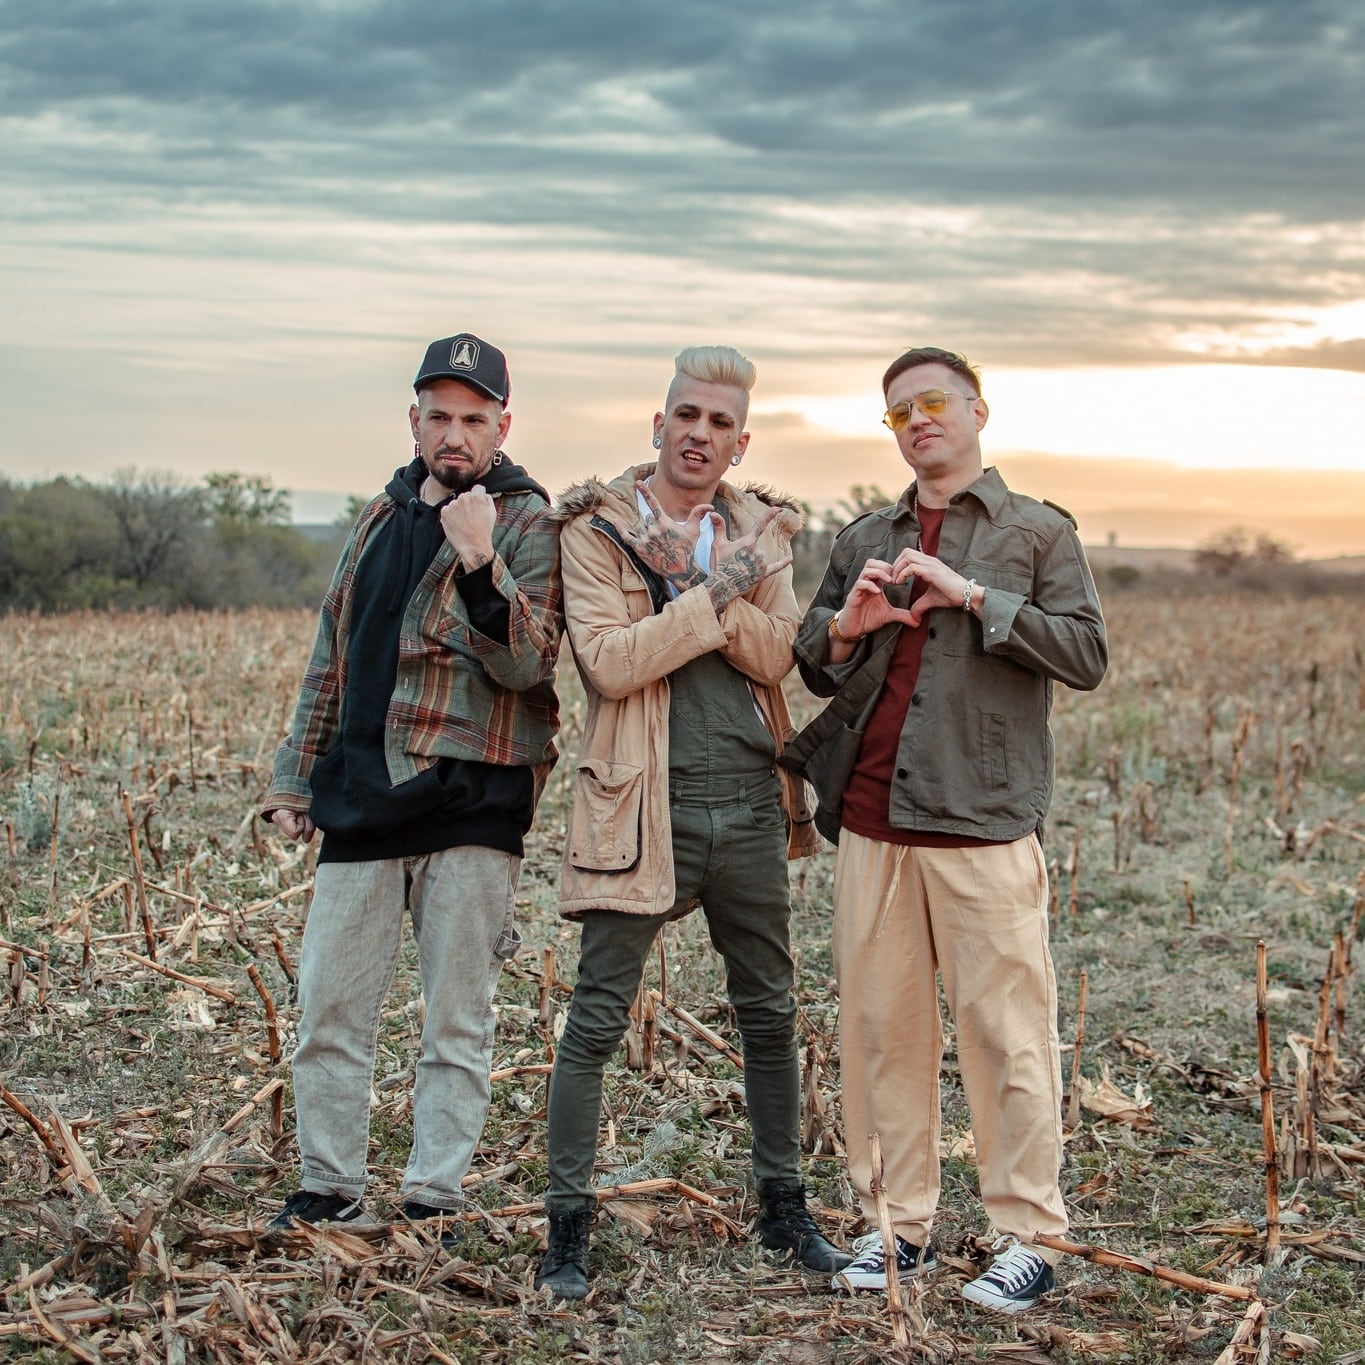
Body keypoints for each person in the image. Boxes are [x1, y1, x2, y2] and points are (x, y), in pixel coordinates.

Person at [783, 346, 1107, 1312]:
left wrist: (971, 597)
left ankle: (1028, 1236)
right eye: (897, 412)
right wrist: (851, 623)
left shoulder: (1036, 531)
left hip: (982, 822)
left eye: (932, 402)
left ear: (975, 410)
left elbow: (1086, 653)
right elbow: (813, 656)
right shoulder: (863, 535)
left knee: (1005, 1035)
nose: (917, 420)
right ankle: (895, 1227)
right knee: (882, 1032)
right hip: (873, 820)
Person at [534, 345, 851, 1299]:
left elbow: (779, 658)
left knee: (769, 1012)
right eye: (686, 415)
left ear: (739, 438)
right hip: (639, 805)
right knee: (594, 1020)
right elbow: (609, 664)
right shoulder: (596, 528)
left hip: (752, 802)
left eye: (719, 422)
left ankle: (783, 1208)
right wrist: (719, 589)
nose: (699, 434)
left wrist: (691, 596)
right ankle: (566, 1231)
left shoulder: (767, 529)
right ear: (658, 423)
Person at [261, 332, 561, 1245]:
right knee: (330, 1009)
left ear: (503, 424)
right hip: (362, 797)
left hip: (473, 804)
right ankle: (330, 1186)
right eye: (440, 415)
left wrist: (479, 560)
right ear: (415, 420)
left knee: (455, 1020)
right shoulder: (378, 519)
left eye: (475, 418)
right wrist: (293, 776)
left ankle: (435, 1194)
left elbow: (528, 663)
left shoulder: (528, 524)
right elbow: (332, 655)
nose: (455, 434)